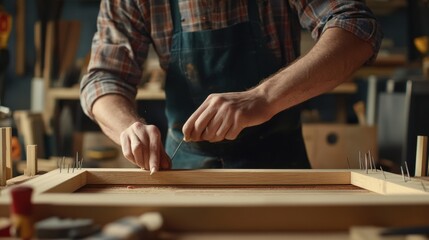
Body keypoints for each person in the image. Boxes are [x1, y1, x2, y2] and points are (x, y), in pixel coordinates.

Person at [80, 0, 382, 173]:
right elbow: (103, 78)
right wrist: (127, 128)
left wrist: (263, 98)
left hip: (279, 169)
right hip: (181, 171)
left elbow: (356, 27)